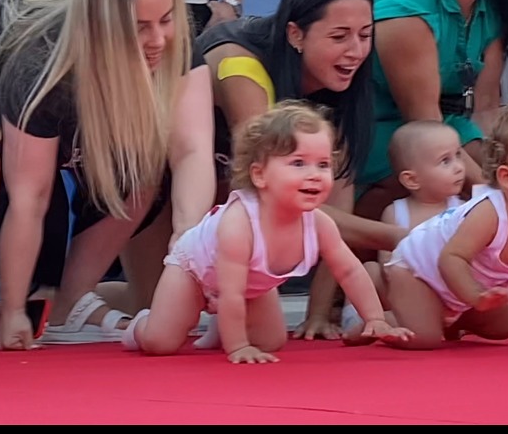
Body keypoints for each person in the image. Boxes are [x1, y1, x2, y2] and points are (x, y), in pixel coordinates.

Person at [0, 0, 216, 347]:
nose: (157, 39)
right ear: (103, 27)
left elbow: (192, 150)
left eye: (166, 21)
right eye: (140, 28)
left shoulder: (171, 41)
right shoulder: (40, 63)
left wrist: (187, 244)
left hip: (83, 77)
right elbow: (30, 198)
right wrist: (14, 311)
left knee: (146, 166)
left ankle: (72, 305)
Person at [123, 102, 414, 363]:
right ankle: (141, 325)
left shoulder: (319, 223)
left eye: (323, 164)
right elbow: (231, 293)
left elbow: (349, 271)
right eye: (298, 163)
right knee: (159, 343)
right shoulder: (239, 224)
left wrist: (375, 318)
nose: (314, 173)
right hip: (193, 272)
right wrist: (237, 347)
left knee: (271, 342)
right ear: (259, 174)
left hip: (248, 285)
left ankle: (221, 326)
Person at [195, 0, 404, 341]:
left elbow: (335, 193)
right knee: (166, 315)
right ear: (295, 34)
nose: (355, 50)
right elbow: (263, 191)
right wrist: (402, 238)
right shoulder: (240, 63)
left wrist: (318, 312)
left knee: (266, 334)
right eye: (339, 37)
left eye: (365, 35)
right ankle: (99, 308)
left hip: (239, 197)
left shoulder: (344, 85)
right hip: (177, 197)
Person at [381, 101, 508, 351]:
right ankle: (382, 321)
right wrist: (474, 297)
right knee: (423, 339)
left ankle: (450, 320)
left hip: (467, 289)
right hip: (417, 272)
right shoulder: (489, 212)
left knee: (502, 328)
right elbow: (451, 258)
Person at [354, 0, 508, 223]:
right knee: (434, 176)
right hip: (374, 127)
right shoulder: (407, 8)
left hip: (444, 123)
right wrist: (501, 205)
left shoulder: (489, 10)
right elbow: (424, 124)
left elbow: (486, 107)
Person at [342, 120, 466, 335]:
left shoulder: (465, 210)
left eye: (458, 155)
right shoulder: (396, 212)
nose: (459, 167)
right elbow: (387, 264)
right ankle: (357, 317)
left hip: (450, 293)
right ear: (412, 180)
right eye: (445, 161)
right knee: (370, 270)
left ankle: (400, 323)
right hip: (404, 293)